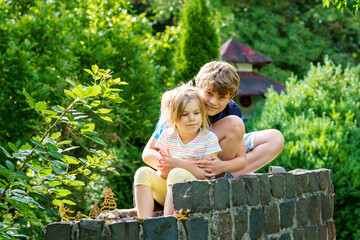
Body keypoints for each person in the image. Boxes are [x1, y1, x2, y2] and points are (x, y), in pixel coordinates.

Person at [143, 60, 284, 180]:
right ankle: (207, 178)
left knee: (275, 138)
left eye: (222, 97)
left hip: (216, 158)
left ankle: (224, 176)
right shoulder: (181, 104)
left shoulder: (232, 111)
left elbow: (241, 158)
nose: (213, 102)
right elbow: (148, 153)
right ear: (198, 85)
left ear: (231, 97)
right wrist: (174, 163)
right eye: (209, 93)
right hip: (185, 155)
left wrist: (222, 166)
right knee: (234, 125)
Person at [133, 83, 226, 218]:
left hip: (195, 194)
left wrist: (178, 163)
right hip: (168, 191)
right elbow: (163, 169)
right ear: (174, 117)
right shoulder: (167, 135)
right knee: (142, 172)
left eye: (196, 113)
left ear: (202, 113)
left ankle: (167, 222)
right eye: (185, 114)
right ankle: (144, 222)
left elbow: (204, 175)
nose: (192, 118)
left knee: (176, 172)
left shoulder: (209, 138)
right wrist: (166, 169)